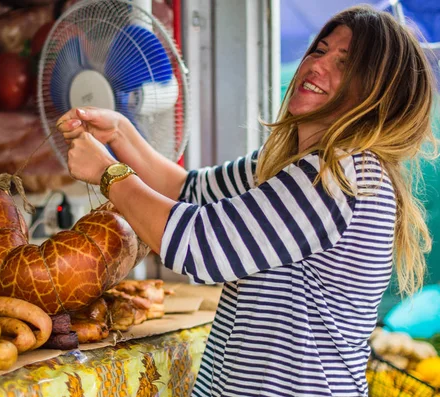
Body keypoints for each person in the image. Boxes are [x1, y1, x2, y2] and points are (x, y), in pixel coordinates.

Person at [56, 5, 436, 397]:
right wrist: (120, 133)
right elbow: (187, 189)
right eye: (319, 50)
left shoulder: (339, 174)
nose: (319, 66)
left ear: (376, 94)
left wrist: (109, 173)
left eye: (345, 63)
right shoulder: (292, 166)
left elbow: (200, 246)